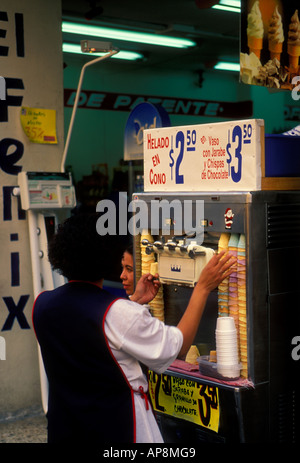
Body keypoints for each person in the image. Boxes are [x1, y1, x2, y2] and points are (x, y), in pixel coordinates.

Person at [32, 213, 236, 444]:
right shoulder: (119, 313)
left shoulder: (42, 304)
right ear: (109, 259)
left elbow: (89, 331)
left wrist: (135, 301)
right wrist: (202, 288)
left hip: (66, 428)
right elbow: (177, 347)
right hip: (118, 427)